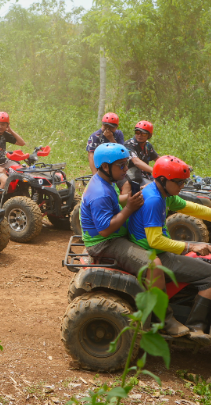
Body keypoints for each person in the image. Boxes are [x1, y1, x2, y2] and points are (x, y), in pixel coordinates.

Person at [126, 155, 211, 338]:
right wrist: (190, 246)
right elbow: (155, 241)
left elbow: (192, 208)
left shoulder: (163, 194)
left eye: (184, 182)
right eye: (179, 182)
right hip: (153, 253)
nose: (182, 186)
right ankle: (195, 327)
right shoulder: (153, 200)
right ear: (162, 180)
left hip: (159, 250)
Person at [78, 143, 183, 337]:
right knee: (154, 264)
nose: (126, 170)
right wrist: (129, 209)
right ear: (105, 167)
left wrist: (133, 198)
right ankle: (164, 320)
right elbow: (104, 230)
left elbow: (117, 202)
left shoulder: (106, 183)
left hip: (114, 235)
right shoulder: (99, 193)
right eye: (121, 166)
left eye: (126, 165)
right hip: (105, 243)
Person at [124, 120, 159, 185]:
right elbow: (136, 162)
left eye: (143, 133)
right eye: (137, 132)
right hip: (132, 176)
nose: (140, 135)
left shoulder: (148, 145)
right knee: (152, 187)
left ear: (149, 135)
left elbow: (157, 159)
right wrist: (155, 171)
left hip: (146, 175)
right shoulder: (128, 144)